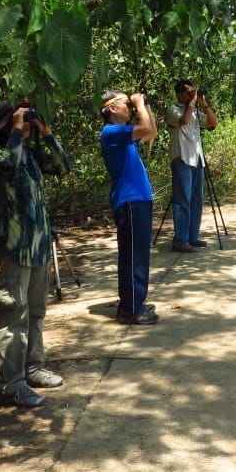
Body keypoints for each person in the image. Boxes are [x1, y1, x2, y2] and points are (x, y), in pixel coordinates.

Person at [0, 99, 72, 408]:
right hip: (14, 250)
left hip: (38, 248)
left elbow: (64, 165)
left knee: (36, 313)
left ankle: (33, 367)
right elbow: (7, 163)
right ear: (6, 126)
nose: (25, 125)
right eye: (18, 120)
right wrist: (17, 132)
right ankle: (13, 382)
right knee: (13, 314)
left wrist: (46, 134)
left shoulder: (32, 155)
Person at [100, 90, 160, 325]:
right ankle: (131, 308)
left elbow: (151, 131)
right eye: (126, 103)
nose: (131, 107)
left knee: (139, 254)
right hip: (129, 200)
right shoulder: (111, 132)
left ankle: (136, 301)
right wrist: (139, 105)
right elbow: (145, 129)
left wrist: (145, 106)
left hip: (138, 199)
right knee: (133, 256)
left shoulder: (122, 133)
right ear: (112, 108)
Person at [164, 79, 218, 252]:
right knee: (182, 201)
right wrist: (193, 102)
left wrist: (204, 105)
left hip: (197, 159)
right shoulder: (173, 110)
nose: (191, 95)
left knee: (196, 200)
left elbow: (213, 123)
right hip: (181, 159)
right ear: (180, 94)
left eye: (192, 92)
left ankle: (192, 237)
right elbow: (183, 121)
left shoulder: (194, 111)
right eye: (188, 92)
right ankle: (180, 240)